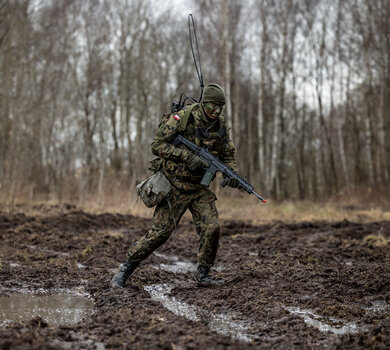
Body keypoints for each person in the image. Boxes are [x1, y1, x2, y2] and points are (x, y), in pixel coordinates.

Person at [111, 83, 240, 288]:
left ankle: (203, 274)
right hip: (174, 185)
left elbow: (227, 153)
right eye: (213, 106)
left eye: (220, 107)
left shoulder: (220, 126)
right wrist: (187, 156)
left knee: (212, 228)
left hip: (198, 189)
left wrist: (231, 171)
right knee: (161, 233)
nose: (216, 111)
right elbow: (157, 145)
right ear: (204, 103)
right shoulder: (183, 118)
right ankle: (125, 269)